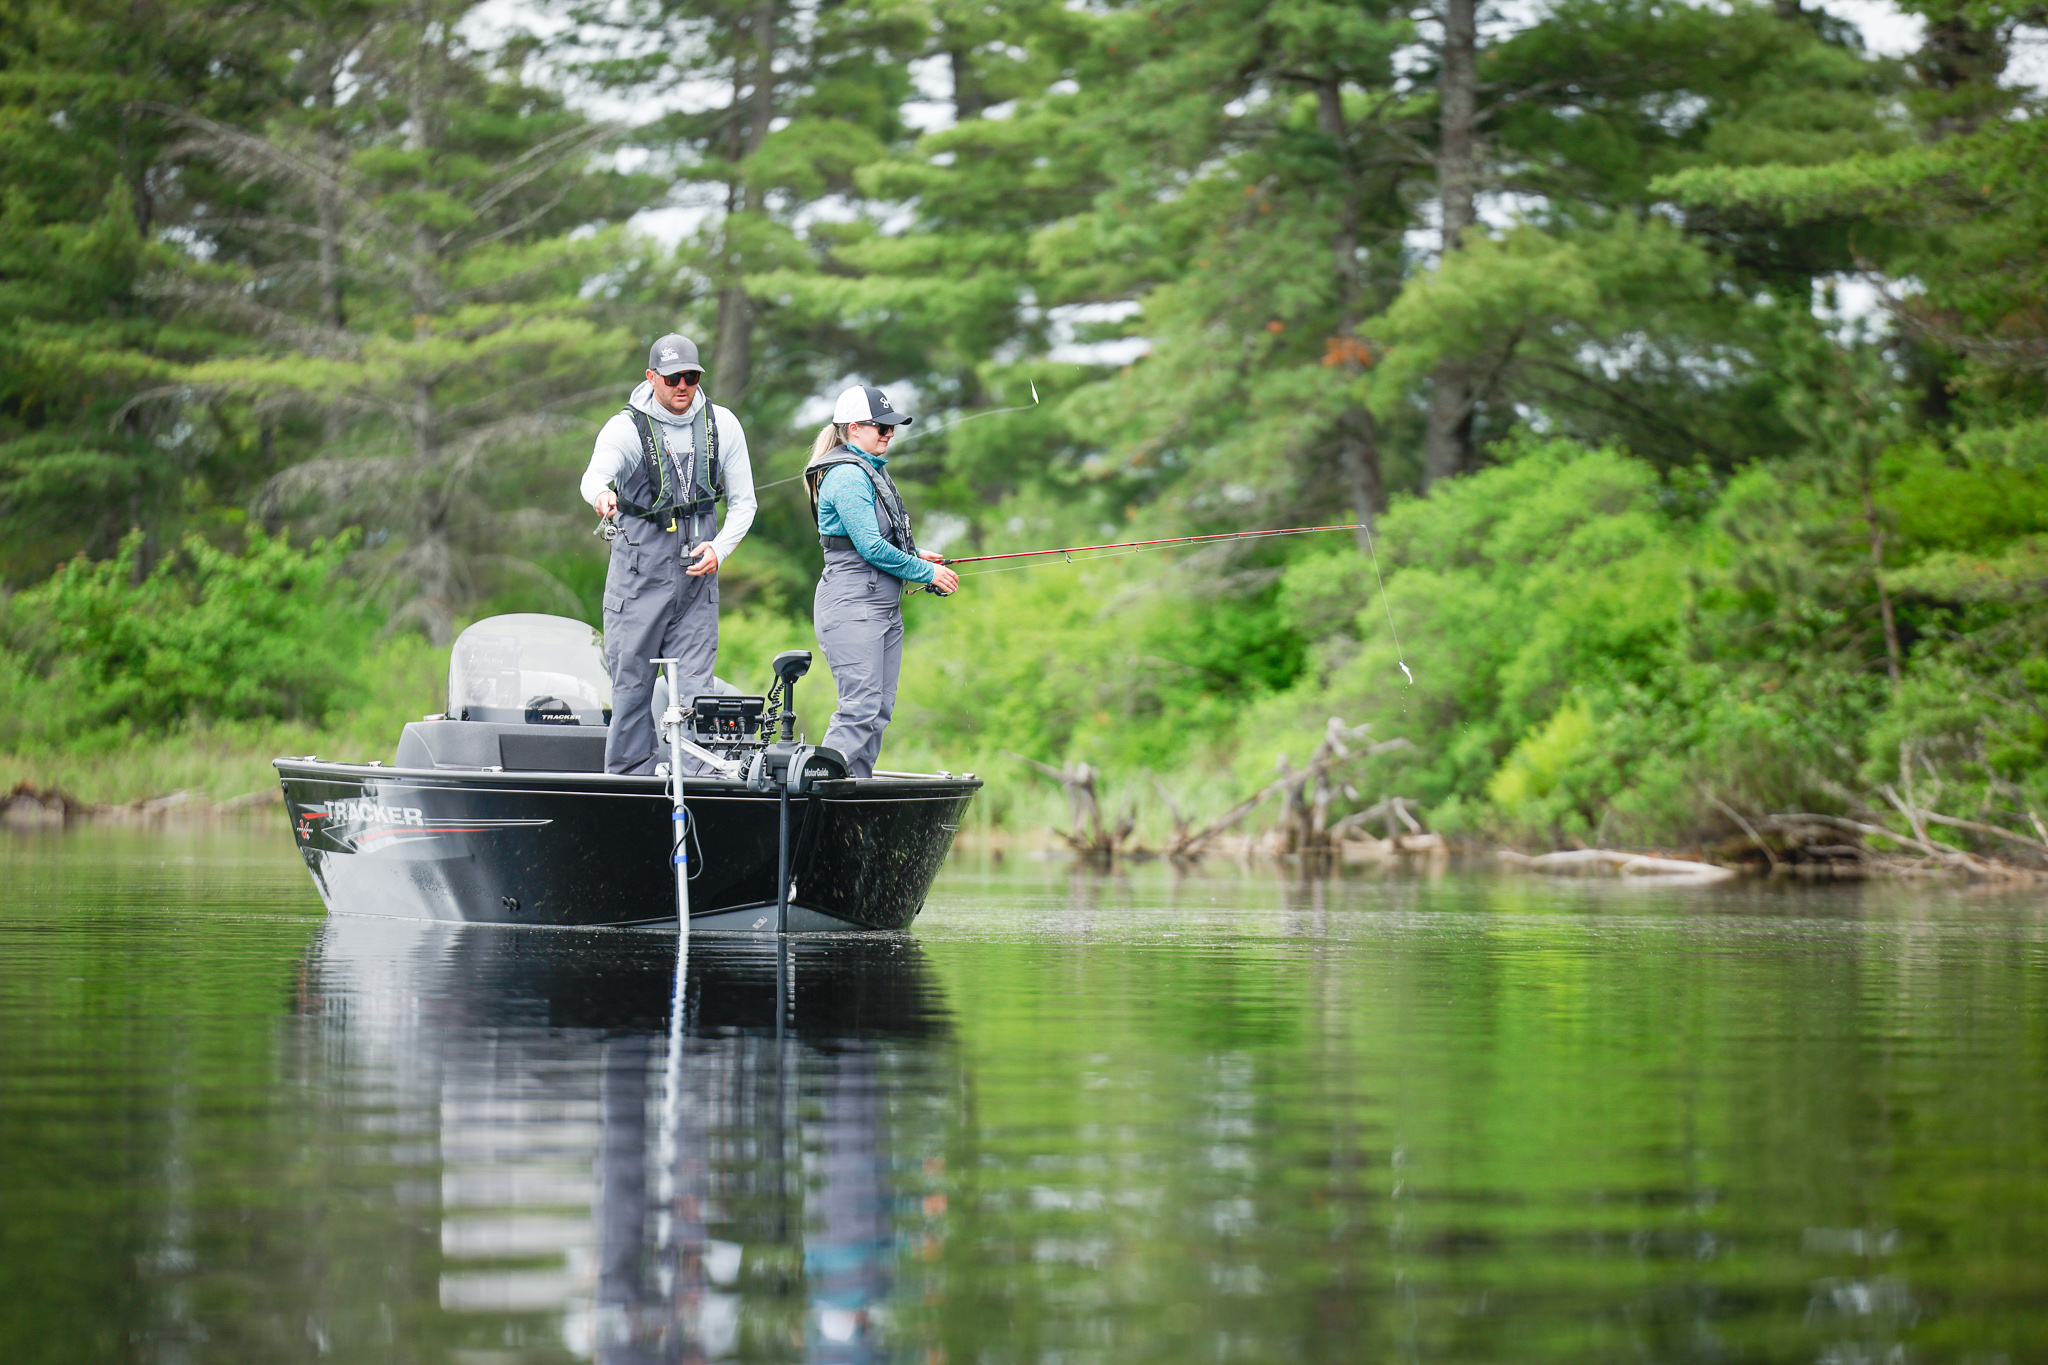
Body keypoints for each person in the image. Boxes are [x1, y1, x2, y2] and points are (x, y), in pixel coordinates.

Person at [581, 333, 756, 774]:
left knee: (697, 692)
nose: (683, 386)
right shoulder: (625, 427)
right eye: (674, 377)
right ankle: (629, 785)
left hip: (697, 579)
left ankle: (695, 786)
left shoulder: (723, 424)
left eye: (692, 377)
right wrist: (602, 494)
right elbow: (594, 476)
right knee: (632, 689)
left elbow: (744, 503)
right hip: (638, 577)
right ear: (651, 377)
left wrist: (721, 548)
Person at [804, 385, 960, 779]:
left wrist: (915, 554)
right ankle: (818, 791)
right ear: (854, 429)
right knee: (858, 708)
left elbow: (873, 540)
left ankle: (856, 790)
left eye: (892, 428)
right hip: (852, 605)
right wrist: (926, 572)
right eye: (882, 428)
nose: (889, 434)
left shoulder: (868, 469)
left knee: (878, 711)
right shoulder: (846, 476)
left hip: (881, 607)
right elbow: (870, 547)